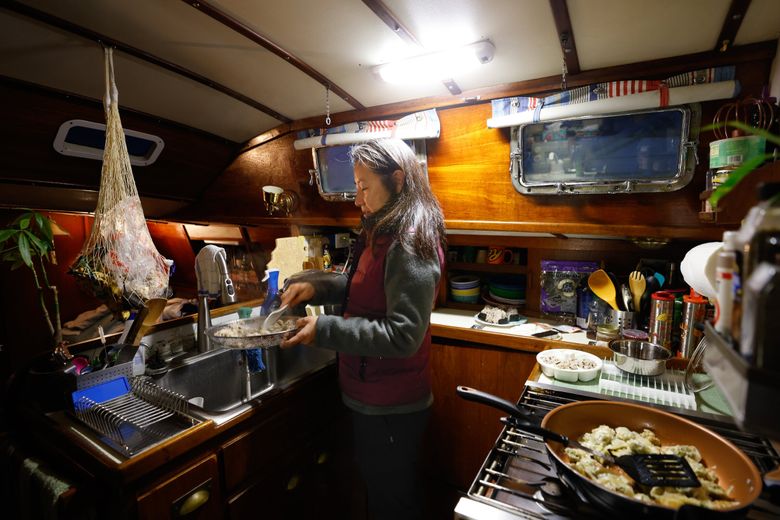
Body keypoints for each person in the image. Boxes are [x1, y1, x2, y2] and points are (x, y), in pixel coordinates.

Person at [279, 138, 446, 520]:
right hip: (371, 392)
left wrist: (325, 328)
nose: (357, 198)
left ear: (398, 180)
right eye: (356, 186)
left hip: (392, 402)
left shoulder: (411, 242)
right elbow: (362, 284)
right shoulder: (380, 229)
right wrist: (317, 285)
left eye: (364, 186)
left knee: (394, 502)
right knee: (382, 492)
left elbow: (403, 335)